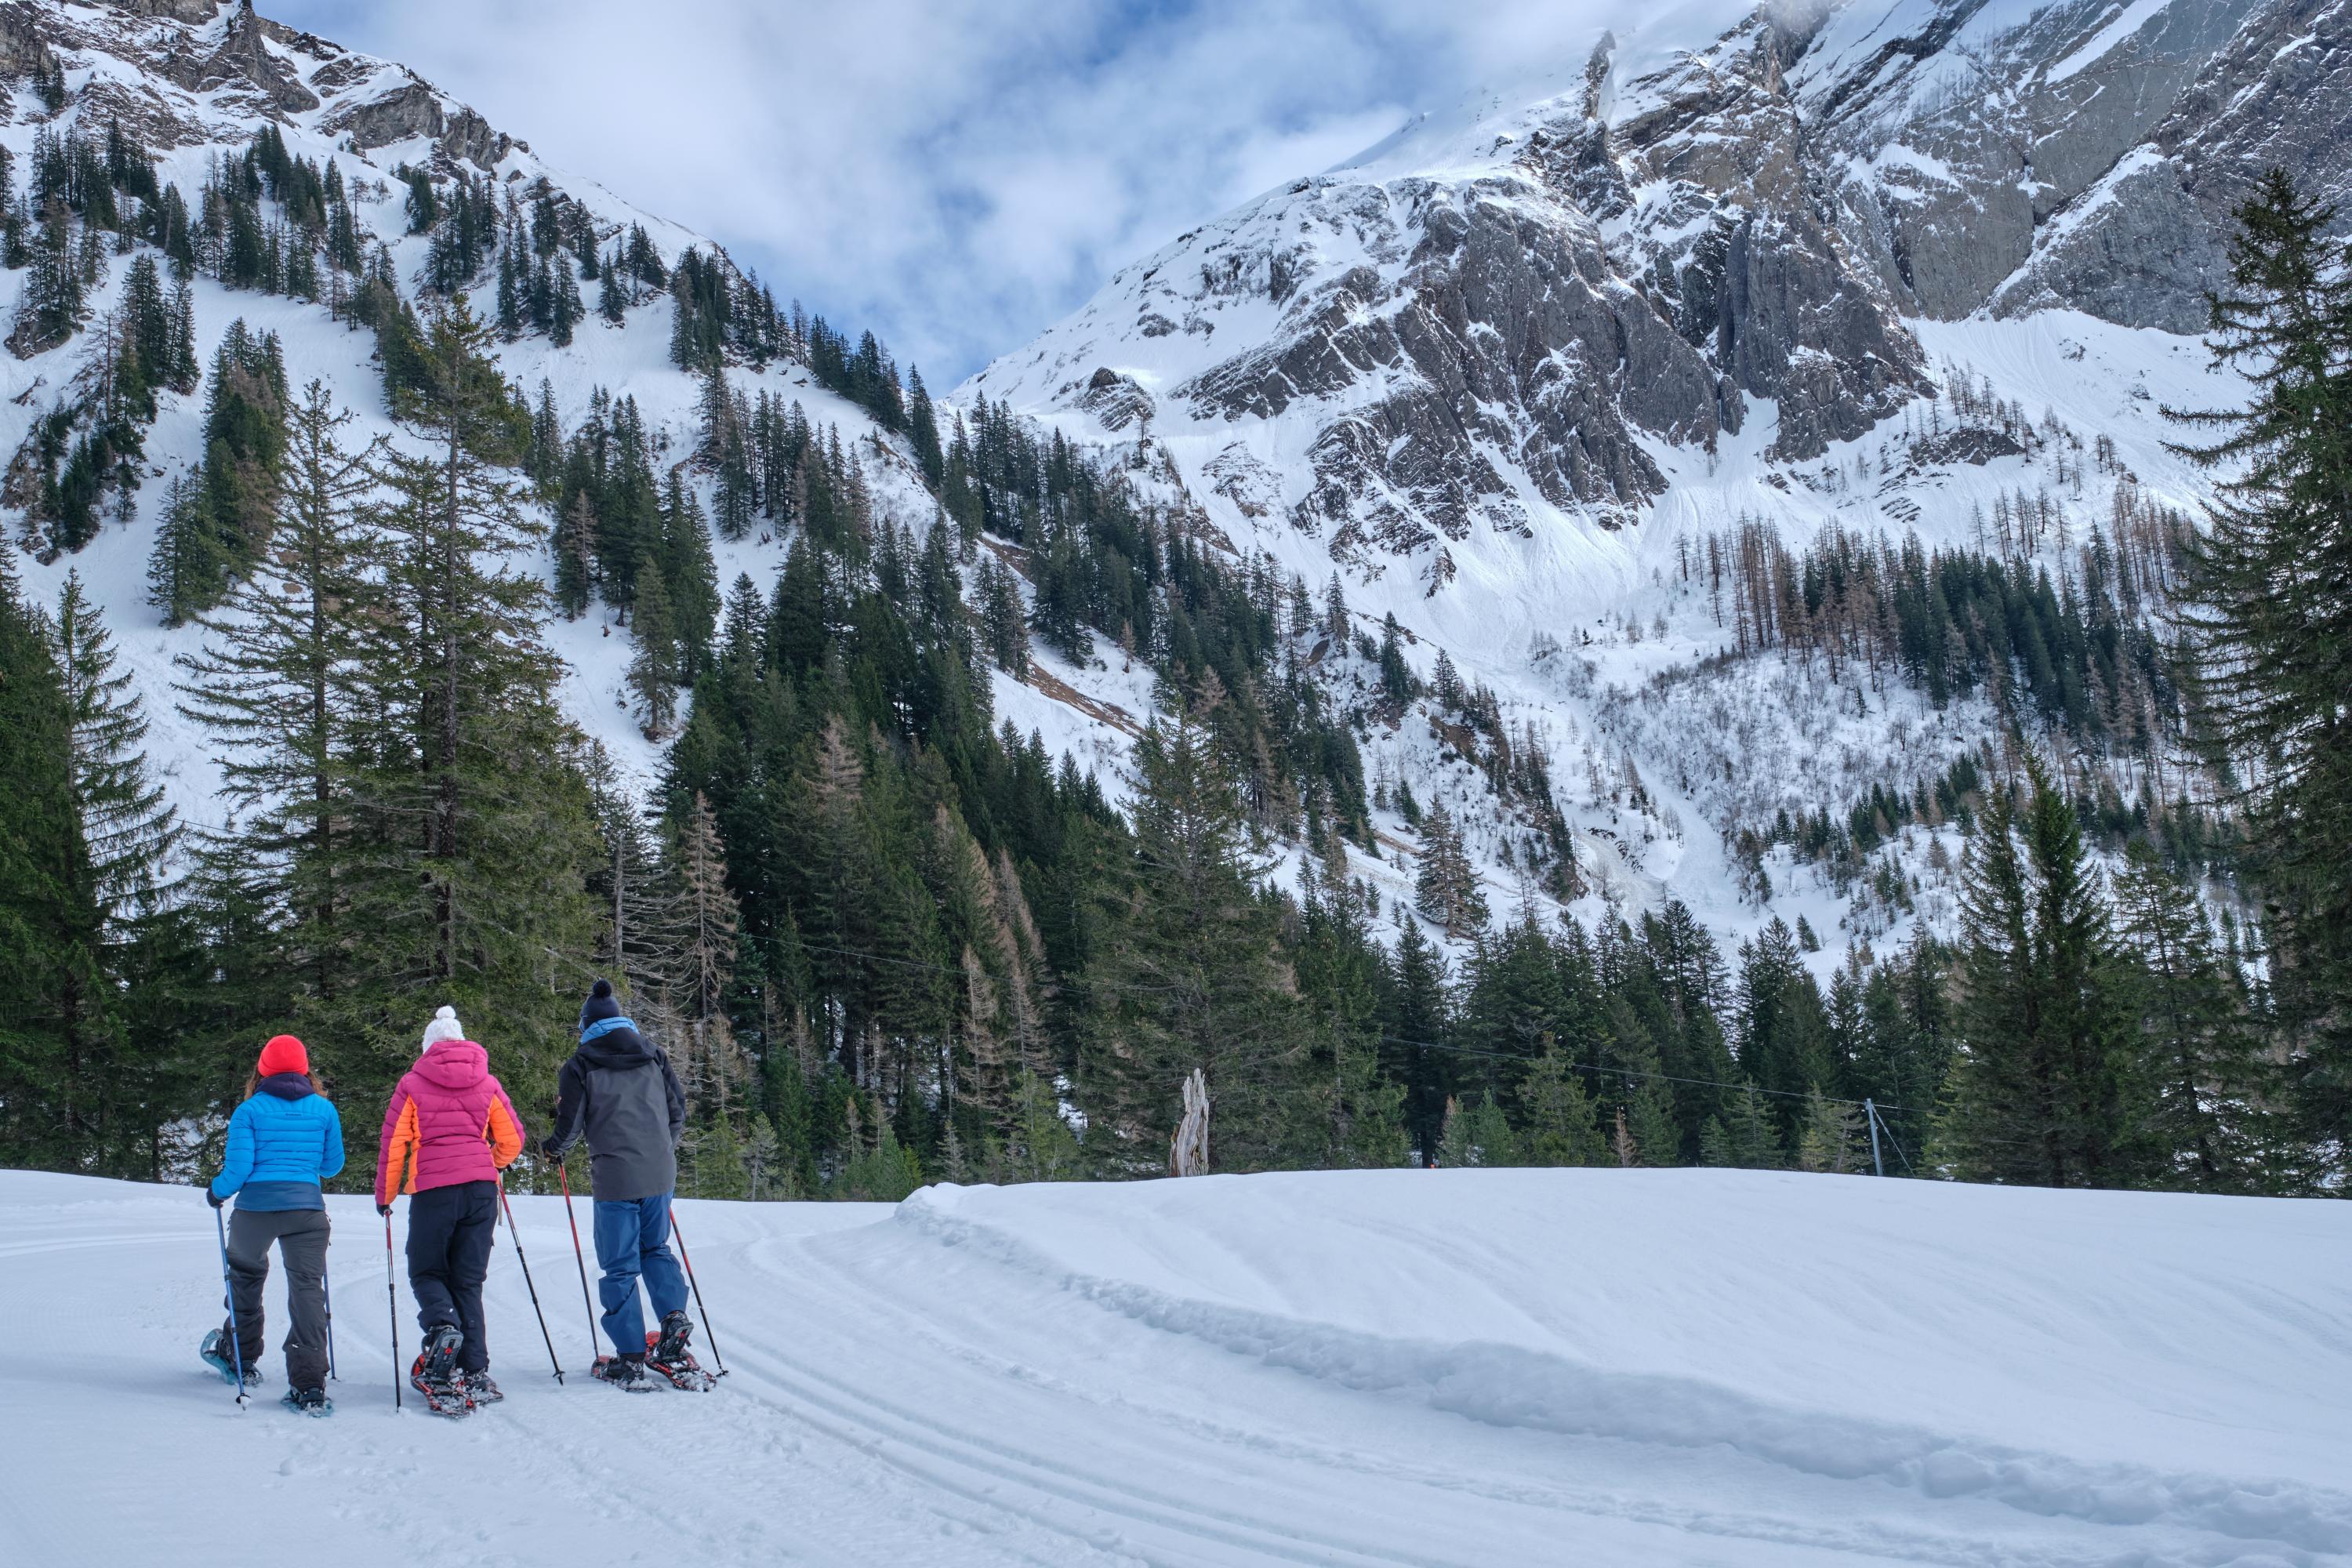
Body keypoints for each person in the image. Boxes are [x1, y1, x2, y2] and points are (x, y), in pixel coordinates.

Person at [540, 979, 688, 1388]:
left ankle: (630, 1357)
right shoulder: (653, 1055)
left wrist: (553, 1150)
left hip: (615, 1177)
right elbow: (678, 1112)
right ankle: (674, 1319)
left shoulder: (580, 1065)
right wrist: (661, 1150)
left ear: (586, 1025)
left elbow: (569, 1125)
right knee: (655, 1247)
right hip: (660, 1172)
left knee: (620, 1265)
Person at [376, 1005, 525, 1407]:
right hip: (480, 1191)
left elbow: (394, 1146)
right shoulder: (488, 1082)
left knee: (426, 1270)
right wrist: (484, 1163)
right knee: (468, 1280)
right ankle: (475, 1370)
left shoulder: (412, 1083)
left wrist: (385, 1197)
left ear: (428, 1047)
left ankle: (443, 1328)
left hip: (433, 1190)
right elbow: (512, 1141)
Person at [200, 1034, 345, 1413]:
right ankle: (310, 1384)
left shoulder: (249, 1111)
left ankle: (240, 1357)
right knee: (307, 1290)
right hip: (307, 1212)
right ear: (305, 1069)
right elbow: (331, 1166)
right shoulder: (324, 1110)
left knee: (245, 1279)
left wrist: (216, 1192)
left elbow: (238, 1170)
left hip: (255, 1211)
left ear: (262, 1070)